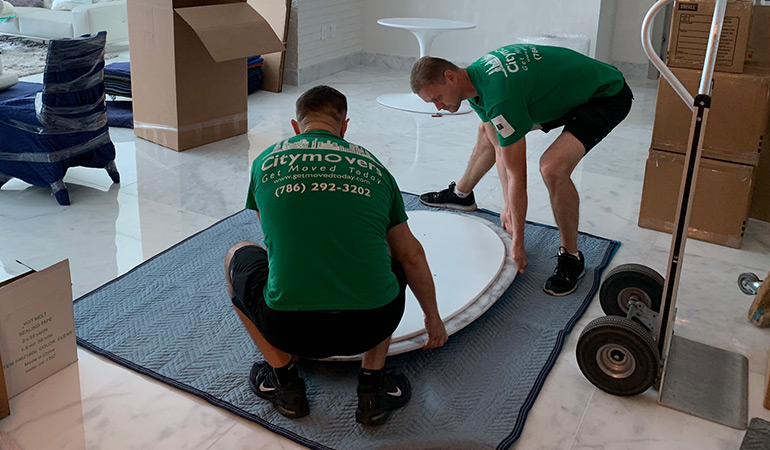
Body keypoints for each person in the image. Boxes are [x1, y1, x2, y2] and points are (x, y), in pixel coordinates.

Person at [224, 85, 448, 425]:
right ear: (344, 128)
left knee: (237, 255)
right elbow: (412, 255)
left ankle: (285, 383)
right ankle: (372, 388)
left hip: (287, 328)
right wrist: (434, 319)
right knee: (388, 254)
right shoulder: (374, 167)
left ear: (296, 127)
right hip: (371, 325)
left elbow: (275, 242)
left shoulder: (264, 162)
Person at [411, 44, 633, 296]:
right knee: (487, 131)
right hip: (565, 90)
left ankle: (571, 257)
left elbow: (517, 173)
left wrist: (518, 240)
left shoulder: (499, 96)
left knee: (552, 168)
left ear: (450, 77)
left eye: (437, 98)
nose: (438, 107)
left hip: (606, 94)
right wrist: (507, 207)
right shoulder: (473, 84)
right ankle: (462, 195)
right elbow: (500, 148)